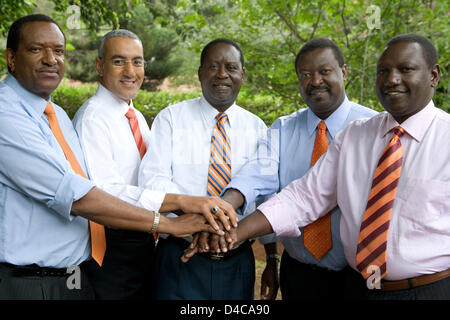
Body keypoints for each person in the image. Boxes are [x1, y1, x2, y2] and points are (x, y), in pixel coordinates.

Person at [192, 34, 449, 300]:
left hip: (430, 289)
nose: (392, 79)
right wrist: (233, 232)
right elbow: (303, 198)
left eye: (405, 69)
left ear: (433, 75)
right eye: (383, 71)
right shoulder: (355, 136)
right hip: (357, 287)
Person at [0, 14, 235, 300]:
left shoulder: (63, 116)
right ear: (11, 58)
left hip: (84, 269)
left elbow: (153, 177)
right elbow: (84, 194)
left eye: (137, 62)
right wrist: (177, 213)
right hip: (74, 263)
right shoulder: (83, 117)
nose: (51, 59)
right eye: (37, 49)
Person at [213, 38, 377, 300]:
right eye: (305, 74)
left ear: (343, 72)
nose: (315, 81)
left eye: (324, 72)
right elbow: (256, 174)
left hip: (357, 275)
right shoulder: (283, 128)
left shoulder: (373, 127)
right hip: (299, 273)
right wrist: (220, 207)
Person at [138, 38, 267, 300]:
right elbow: (153, 180)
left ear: (242, 75)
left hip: (237, 261)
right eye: (212, 67)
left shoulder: (258, 128)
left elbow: (265, 194)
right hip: (179, 257)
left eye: (230, 67)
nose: (222, 75)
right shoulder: (171, 118)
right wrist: (200, 219)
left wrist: (272, 256)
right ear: (199, 73)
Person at [72, 30, 160, 299]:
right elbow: (106, 192)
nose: (130, 71)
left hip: (143, 240)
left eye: (138, 61)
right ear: (100, 66)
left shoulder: (135, 116)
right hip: (113, 247)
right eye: (119, 61)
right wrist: (172, 201)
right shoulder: (93, 118)